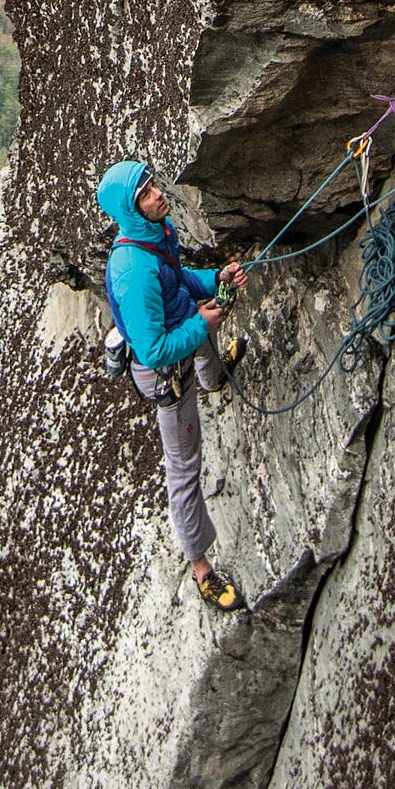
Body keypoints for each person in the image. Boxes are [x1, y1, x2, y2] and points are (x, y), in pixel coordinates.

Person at [95, 159, 243, 612]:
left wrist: (214, 279)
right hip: (164, 374)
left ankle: (215, 376)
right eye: (144, 193)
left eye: (152, 183)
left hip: (179, 322)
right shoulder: (133, 271)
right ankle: (202, 569)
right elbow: (156, 349)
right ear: (130, 209)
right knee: (183, 472)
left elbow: (179, 282)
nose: (157, 193)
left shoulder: (155, 234)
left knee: (202, 328)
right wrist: (202, 323)